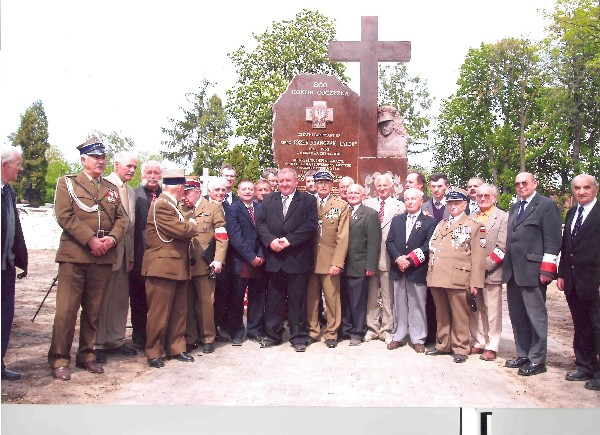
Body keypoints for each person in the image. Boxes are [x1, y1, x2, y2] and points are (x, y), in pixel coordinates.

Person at [48, 137, 128, 381]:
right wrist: (90, 240)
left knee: (94, 310)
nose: (100, 161)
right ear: (83, 160)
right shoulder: (68, 183)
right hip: (75, 255)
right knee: (66, 310)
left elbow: (122, 219)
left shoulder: (111, 188)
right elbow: (64, 215)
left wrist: (111, 239)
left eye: (103, 157)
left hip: (103, 256)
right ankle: (60, 359)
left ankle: (86, 355)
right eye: (95, 157)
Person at [502, 172, 562, 376]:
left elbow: (553, 240)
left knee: (535, 316)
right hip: (513, 272)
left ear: (535, 183)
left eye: (524, 183)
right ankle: (523, 354)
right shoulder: (515, 207)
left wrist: (547, 269)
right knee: (517, 316)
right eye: (517, 183)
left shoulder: (546, 205)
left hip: (533, 271)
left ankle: (537, 359)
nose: (521, 186)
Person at [256, 167, 318, 352]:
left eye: (287, 180)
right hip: (275, 258)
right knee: (274, 300)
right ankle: (273, 335)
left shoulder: (307, 200)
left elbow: (310, 225)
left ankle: (298, 337)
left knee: (297, 301)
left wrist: (290, 240)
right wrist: (270, 241)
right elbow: (261, 223)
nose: (284, 184)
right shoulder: (269, 199)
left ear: (296, 181)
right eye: (281, 181)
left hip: (297, 259)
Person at [142, 169, 198, 368]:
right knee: (159, 313)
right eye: (185, 188)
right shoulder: (162, 205)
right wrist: (192, 224)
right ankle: (154, 352)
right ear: (180, 187)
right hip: (162, 266)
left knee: (178, 311)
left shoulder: (171, 205)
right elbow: (181, 230)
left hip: (176, 265)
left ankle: (176, 347)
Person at [425, 188, 486, 363]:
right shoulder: (441, 223)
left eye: (457, 203)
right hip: (437, 275)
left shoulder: (474, 225)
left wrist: (475, 282)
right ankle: (443, 344)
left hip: (458, 277)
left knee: (460, 314)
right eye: (450, 203)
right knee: (441, 313)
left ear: (464, 204)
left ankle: (460, 347)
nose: (453, 206)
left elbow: (478, 257)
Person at [94, 151, 138, 363]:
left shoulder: (130, 192)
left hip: (124, 254)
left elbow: (130, 228)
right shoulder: (103, 185)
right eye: (128, 166)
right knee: (102, 299)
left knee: (120, 299)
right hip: (106, 251)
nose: (132, 170)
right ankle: (97, 343)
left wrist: (131, 255)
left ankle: (115, 339)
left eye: (134, 167)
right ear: (116, 165)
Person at [557, 174, 600, 390]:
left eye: (586, 187)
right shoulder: (572, 212)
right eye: (577, 188)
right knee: (581, 325)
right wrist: (562, 274)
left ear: (595, 189)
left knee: (598, 326)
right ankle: (585, 366)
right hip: (573, 281)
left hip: (595, 280)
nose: (581, 192)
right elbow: (567, 247)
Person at [181, 179, 228, 354]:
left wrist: (218, 259)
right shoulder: (180, 208)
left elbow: (221, 235)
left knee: (205, 303)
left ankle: (208, 337)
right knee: (187, 303)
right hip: (184, 264)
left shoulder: (213, 208)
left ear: (198, 192)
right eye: (183, 193)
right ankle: (191, 338)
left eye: (187, 192)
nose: (184, 196)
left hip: (205, 263)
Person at [386, 188, 436, 353]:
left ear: (421, 201)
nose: (410, 202)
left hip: (417, 270)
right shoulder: (397, 220)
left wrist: (410, 260)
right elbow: (389, 242)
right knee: (399, 305)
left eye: (413, 199)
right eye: (407, 199)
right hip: (398, 269)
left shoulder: (429, 221)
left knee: (417, 305)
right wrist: (398, 259)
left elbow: (428, 245)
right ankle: (398, 336)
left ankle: (418, 338)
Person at [306, 170, 349, 348]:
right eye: (319, 182)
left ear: (332, 185)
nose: (323, 185)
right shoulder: (307, 203)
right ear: (315, 185)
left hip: (330, 261)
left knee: (332, 299)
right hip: (309, 260)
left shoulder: (340, 205)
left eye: (326, 182)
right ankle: (313, 331)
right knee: (311, 299)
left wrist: (337, 262)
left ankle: (331, 333)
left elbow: (343, 237)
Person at [363, 173, 406, 343]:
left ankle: (387, 329)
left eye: (385, 186)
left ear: (392, 187)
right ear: (375, 188)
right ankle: (372, 328)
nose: (382, 189)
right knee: (372, 296)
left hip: (388, 257)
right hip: (370, 257)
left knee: (388, 296)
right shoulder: (367, 204)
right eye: (379, 186)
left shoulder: (400, 206)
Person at [469, 183, 508, 361]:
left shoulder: (503, 217)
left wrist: (483, 267)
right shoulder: (471, 217)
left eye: (486, 196)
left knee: (492, 311)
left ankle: (492, 345)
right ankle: (479, 341)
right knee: (476, 309)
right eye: (479, 196)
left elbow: (502, 247)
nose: (483, 198)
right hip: (471, 274)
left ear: (494, 198)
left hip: (492, 272)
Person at [225, 179, 267, 344]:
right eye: (244, 189)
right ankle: (236, 332)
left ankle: (254, 331)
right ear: (238, 191)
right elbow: (235, 237)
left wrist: (261, 255)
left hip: (259, 260)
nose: (248, 191)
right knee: (237, 297)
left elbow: (265, 233)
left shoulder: (261, 209)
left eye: (250, 189)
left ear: (254, 191)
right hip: (241, 260)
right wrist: (251, 257)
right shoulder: (232, 209)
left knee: (257, 297)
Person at [340, 184, 380, 346]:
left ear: (363, 196)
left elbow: (373, 242)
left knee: (357, 301)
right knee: (344, 299)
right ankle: (345, 329)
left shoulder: (370, 214)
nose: (352, 195)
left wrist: (370, 266)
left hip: (359, 265)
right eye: (350, 193)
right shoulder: (342, 211)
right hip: (340, 264)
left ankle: (357, 332)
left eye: (356, 193)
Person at [1, 146, 28, 381]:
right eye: (18, 164)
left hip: (6, 268)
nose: (20, 169)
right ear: (4, 165)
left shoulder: (8, 191)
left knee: (5, 317)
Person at [130, 160, 162, 350]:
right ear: (142, 175)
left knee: (158, 301)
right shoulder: (134, 195)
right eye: (149, 172)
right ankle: (139, 336)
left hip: (161, 258)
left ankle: (157, 336)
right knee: (138, 299)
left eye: (156, 173)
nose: (152, 176)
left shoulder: (166, 196)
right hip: (139, 256)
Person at [421, 172, 450, 345]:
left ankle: (447, 336)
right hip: (427, 259)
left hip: (447, 259)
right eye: (433, 186)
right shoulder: (423, 206)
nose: (436, 189)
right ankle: (431, 335)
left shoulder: (455, 204)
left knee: (446, 300)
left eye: (440, 186)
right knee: (430, 300)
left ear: (447, 186)